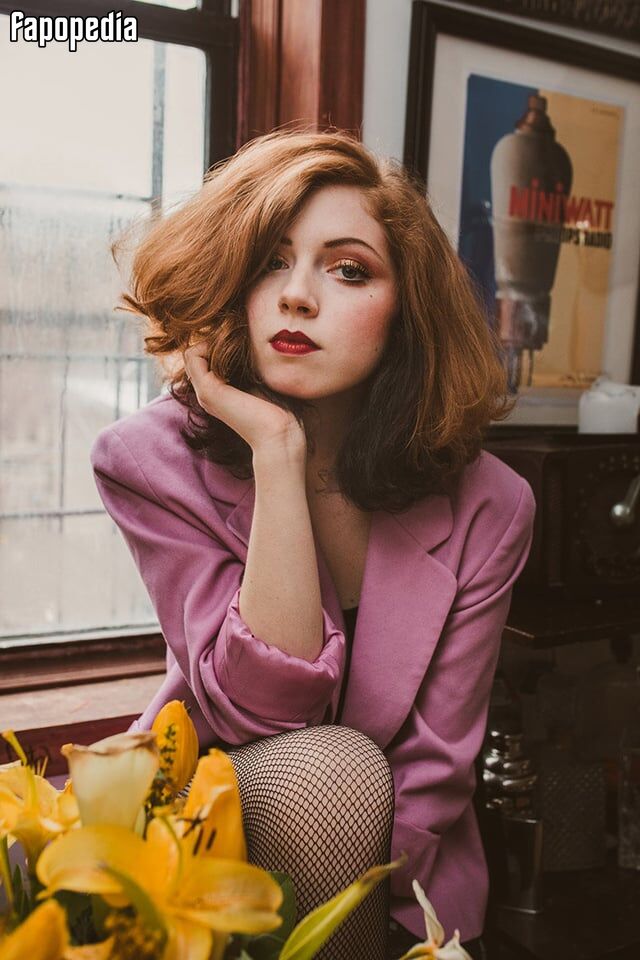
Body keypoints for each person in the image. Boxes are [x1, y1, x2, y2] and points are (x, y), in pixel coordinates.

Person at [90, 128, 536, 960]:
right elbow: (260, 712)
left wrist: (375, 924)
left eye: (348, 269)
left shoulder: (491, 504)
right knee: (329, 771)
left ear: (407, 310)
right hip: (216, 824)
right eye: (269, 262)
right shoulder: (146, 461)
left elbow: (435, 769)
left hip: (406, 874)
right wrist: (277, 454)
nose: (296, 297)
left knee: (342, 781)